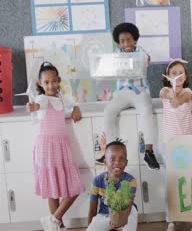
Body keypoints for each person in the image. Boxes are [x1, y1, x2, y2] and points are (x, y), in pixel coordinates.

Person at [26, 62, 84, 231]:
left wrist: (76, 109)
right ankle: (58, 224)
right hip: (47, 147)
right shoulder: (41, 99)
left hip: (61, 146)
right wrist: (32, 107)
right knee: (53, 189)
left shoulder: (59, 99)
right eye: (46, 82)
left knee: (71, 187)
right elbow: (38, 106)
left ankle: (54, 221)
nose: (51, 85)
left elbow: (67, 108)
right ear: (40, 83)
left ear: (59, 81)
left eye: (54, 81)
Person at [96, 22, 159, 170]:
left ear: (135, 40)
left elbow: (145, 58)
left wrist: (146, 59)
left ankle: (149, 152)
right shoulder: (116, 54)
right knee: (108, 112)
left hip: (139, 91)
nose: (126, 43)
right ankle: (109, 151)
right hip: (121, 93)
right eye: (122, 41)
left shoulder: (140, 50)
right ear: (118, 42)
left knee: (146, 110)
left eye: (129, 39)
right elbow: (109, 66)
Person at [159, 59, 192, 231]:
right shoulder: (165, 91)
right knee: (172, 183)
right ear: (168, 76)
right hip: (170, 145)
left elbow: (185, 98)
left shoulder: (188, 92)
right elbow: (165, 94)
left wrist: (179, 99)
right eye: (174, 73)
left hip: (188, 144)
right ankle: (172, 219)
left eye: (181, 72)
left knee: (191, 182)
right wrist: (171, 95)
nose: (178, 75)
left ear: (186, 75)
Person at [87, 139, 138, 231]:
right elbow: (92, 210)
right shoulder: (97, 181)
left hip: (126, 213)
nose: (117, 162)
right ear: (105, 161)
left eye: (121, 159)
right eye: (112, 159)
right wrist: (90, 226)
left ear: (126, 163)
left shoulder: (130, 181)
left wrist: (120, 222)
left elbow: (128, 205)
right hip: (104, 214)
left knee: (129, 224)